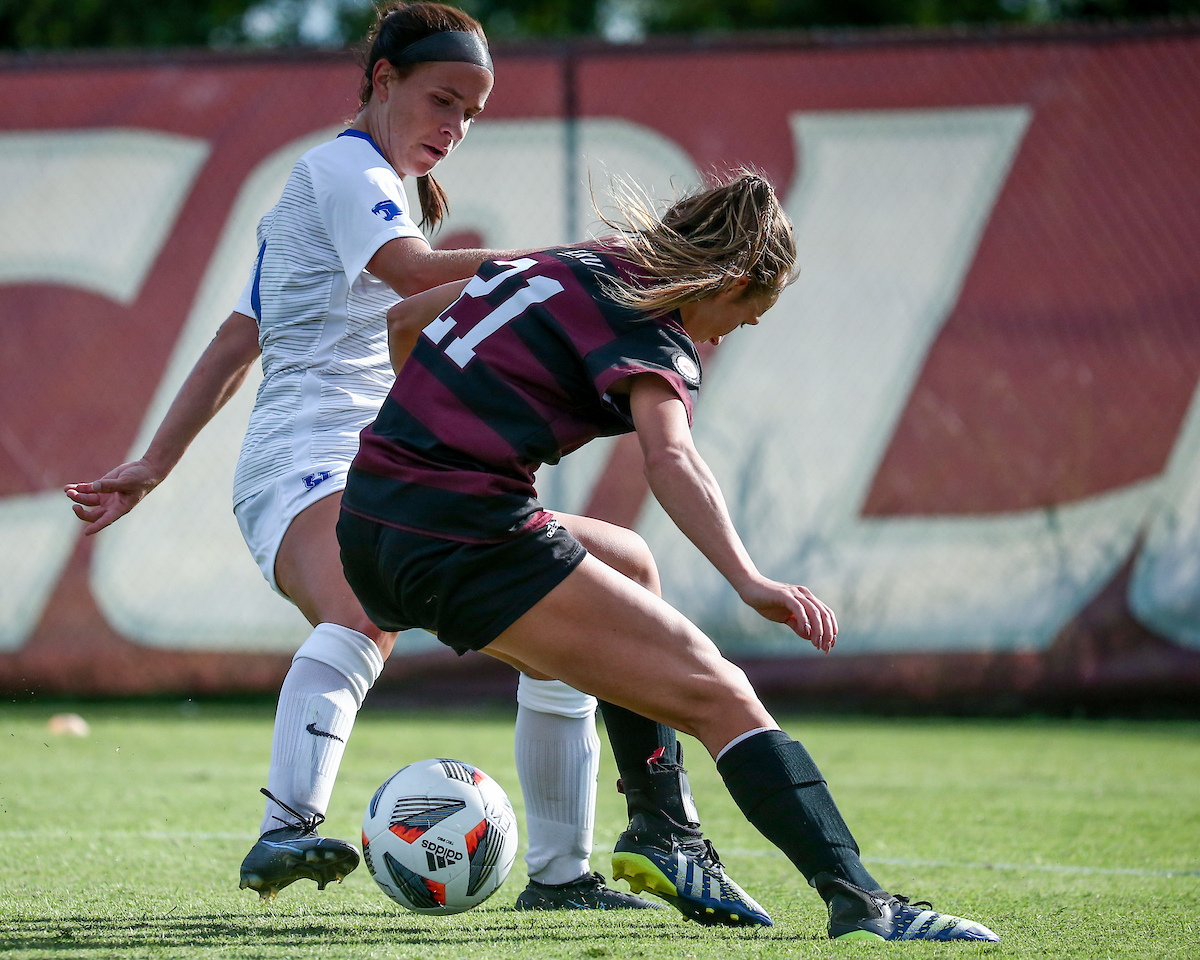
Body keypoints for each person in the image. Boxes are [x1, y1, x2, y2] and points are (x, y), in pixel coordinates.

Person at [64, 1, 767, 925]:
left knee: (615, 573)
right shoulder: (346, 170)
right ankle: (285, 827)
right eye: (443, 100)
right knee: (363, 605)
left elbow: (242, 332)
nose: (456, 127)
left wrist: (154, 462)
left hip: (387, 464)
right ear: (381, 79)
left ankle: (562, 874)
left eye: (472, 113)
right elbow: (405, 275)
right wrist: (574, 267)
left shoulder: (351, 180)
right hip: (311, 459)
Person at [337, 171, 1002, 941]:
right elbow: (673, 460)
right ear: (731, 279)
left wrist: (431, 435)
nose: (724, 335)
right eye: (748, 313)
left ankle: (665, 830)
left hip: (372, 520)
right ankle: (864, 901)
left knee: (627, 562)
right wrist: (750, 580)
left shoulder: (584, 261)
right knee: (721, 692)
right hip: (462, 531)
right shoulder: (651, 322)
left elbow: (405, 322)